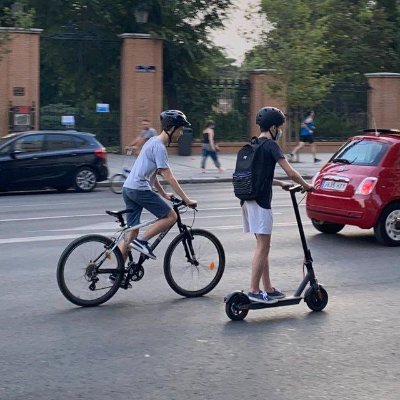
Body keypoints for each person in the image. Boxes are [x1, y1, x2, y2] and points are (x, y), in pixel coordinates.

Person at [242, 106, 313, 304]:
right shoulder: (271, 146)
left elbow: (256, 175)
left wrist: (280, 183)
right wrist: (306, 186)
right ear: (273, 127)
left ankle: (268, 288)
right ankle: (254, 290)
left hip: (247, 200)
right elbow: (290, 171)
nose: (280, 131)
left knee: (262, 245)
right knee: (263, 246)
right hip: (261, 202)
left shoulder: (253, 144)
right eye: (280, 127)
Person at [118, 110, 197, 262]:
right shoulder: (159, 147)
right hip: (139, 189)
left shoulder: (152, 141)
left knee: (132, 233)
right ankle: (142, 241)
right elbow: (169, 176)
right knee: (171, 216)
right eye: (179, 130)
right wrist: (186, 199)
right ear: (171, 128)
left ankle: (117, 273)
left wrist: (163, 194)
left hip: (129, 188)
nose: (180, 134)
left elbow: (153, 175)